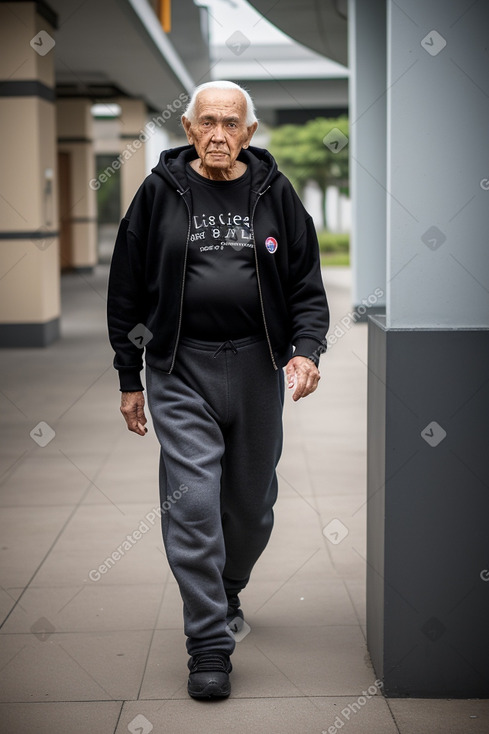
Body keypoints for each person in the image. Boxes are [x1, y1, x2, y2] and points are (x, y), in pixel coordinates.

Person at [107, 80, 329, 700]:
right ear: (188, 130)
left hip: (258, 367)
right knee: (195, 503)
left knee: (251, 505)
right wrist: (131, 376)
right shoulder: (158, 193)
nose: (218, 135)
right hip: (180, 368)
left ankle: (229, 585)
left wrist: (306, 350)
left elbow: (306, 284)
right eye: (207, 122)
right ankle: (208, 643)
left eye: (231, 124)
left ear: (250, 133)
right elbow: (126, 289)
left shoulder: (275, 193)